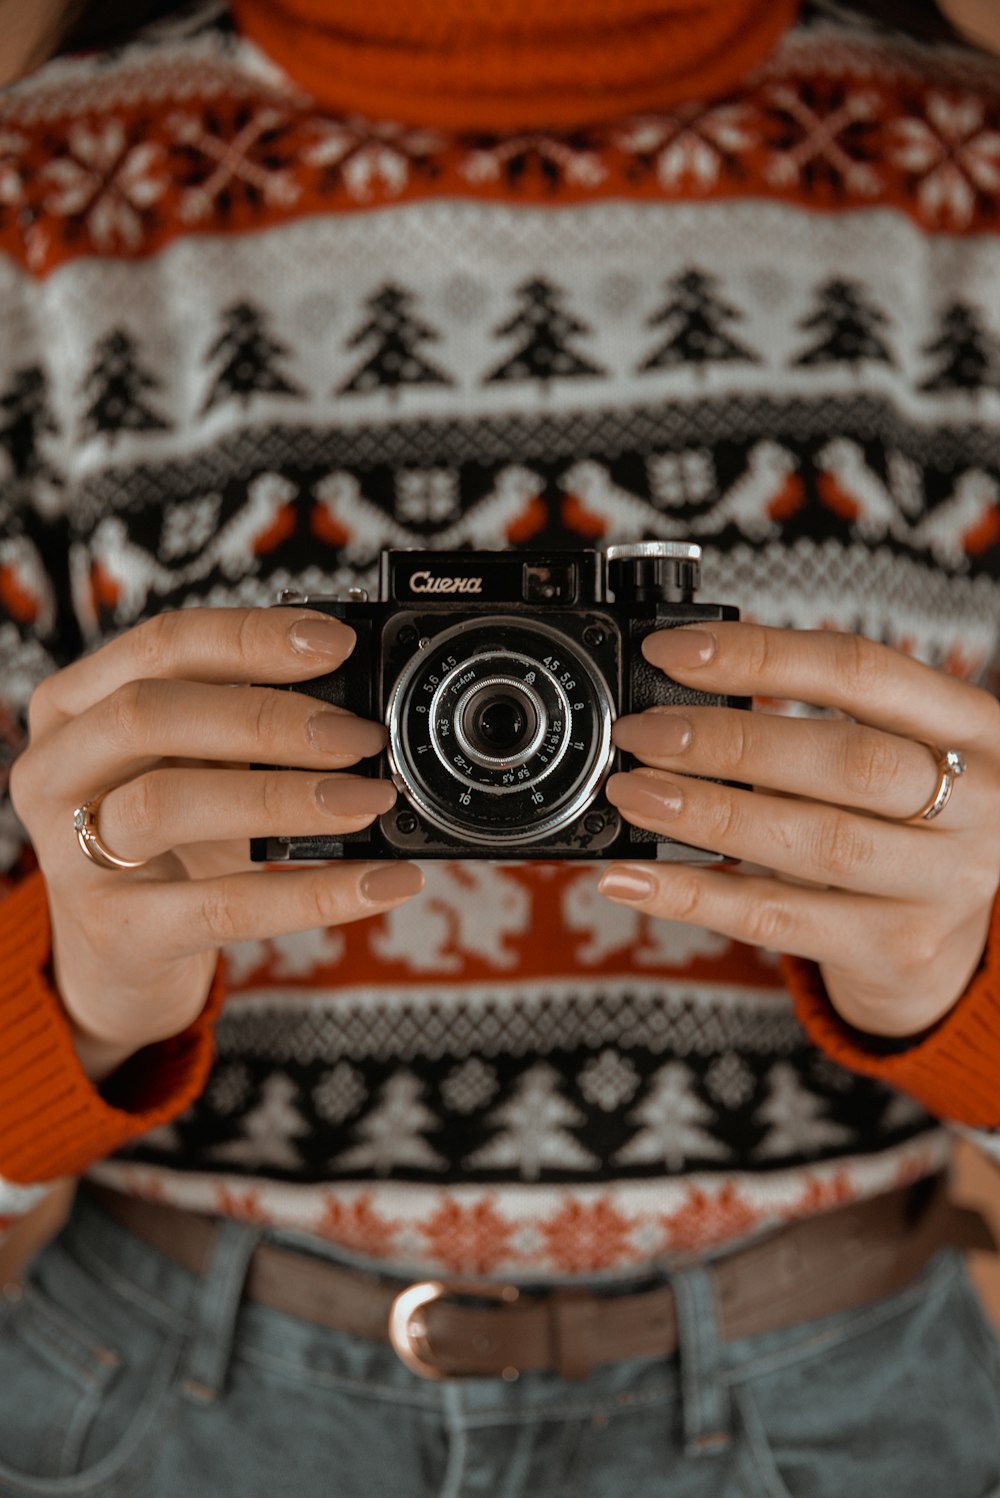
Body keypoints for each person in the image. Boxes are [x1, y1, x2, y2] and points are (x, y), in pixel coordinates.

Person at [1, 0, 999, 1492]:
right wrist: (76, 995)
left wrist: (958, 986)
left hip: (837, 1380)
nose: (508, 709)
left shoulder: (966, 179)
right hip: (180, 1382)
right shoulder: (38, 203)